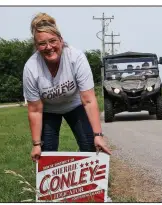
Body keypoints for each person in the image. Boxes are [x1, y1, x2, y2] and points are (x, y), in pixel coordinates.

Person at [23, 13, 111, 162]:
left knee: (90, 145)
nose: (49, 47)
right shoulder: (31, 68)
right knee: (45, 155)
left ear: (61, 41)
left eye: (52, 41)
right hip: (49, 110)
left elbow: (88, 100)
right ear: (37, 46)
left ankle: (93, 184)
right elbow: (35, 110)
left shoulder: (76, 57)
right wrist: (36, 144)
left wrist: (98, 135)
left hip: (75, 105)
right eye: (42, 44)